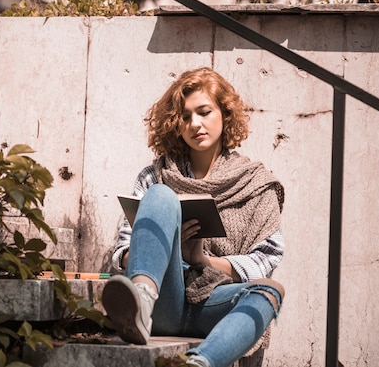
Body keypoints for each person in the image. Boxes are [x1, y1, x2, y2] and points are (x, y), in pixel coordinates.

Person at [101, 67, 286, 367]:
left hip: (213, 301)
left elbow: (265, 259)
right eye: (185, 117)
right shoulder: (155, 176)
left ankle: (198, 364)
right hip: (164, 302)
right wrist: (165, 250)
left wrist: (202, 260)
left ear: (224, 115)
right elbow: (122, 251)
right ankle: (141, 302)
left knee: (270, 290)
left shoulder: (255, 183)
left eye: (204, 112)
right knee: (162, 197)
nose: (194, 124)